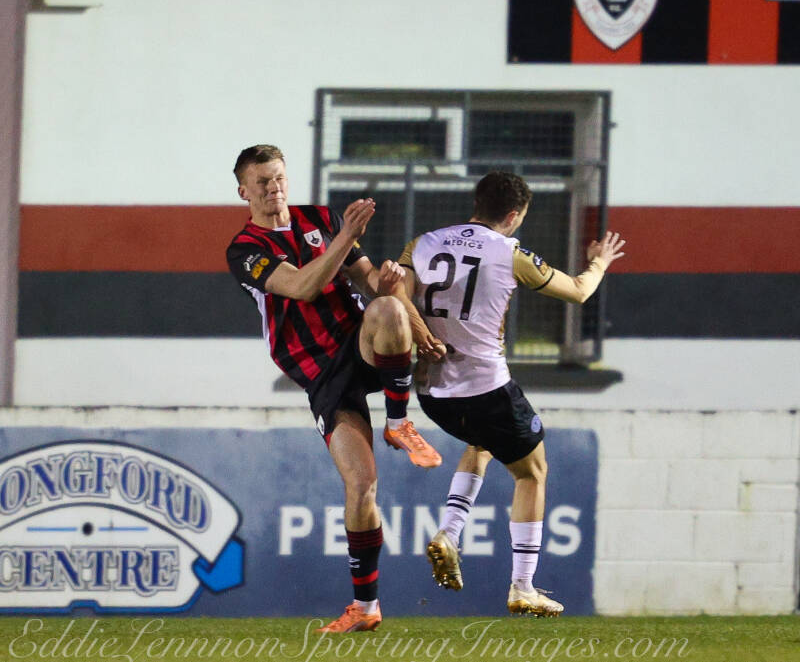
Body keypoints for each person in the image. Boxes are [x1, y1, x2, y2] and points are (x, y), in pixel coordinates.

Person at [226, 144, 441, 633]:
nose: (273, 187)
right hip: (318, 368)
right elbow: (301, 286)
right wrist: (344, 236)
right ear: (244, 191)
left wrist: (409, 312)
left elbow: (369, 283)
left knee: (387, 308)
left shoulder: (319, 217)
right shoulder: (245, 250)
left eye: (278, 177)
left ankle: (400, 421)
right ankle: (365, 607)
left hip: (358, 341)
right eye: (261, 181)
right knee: (361, 486)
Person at [391, 170, 625, 617]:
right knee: (532, 471)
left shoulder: (422, 243)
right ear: (514, 215)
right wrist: (600, 262)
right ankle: (522, 585)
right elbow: (577, 292)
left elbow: (395, 291)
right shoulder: (509, 251)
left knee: (483, 441)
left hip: (432, 392)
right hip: (485, 386)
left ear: (476, 202)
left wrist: (422, 334)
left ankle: (449, 533)